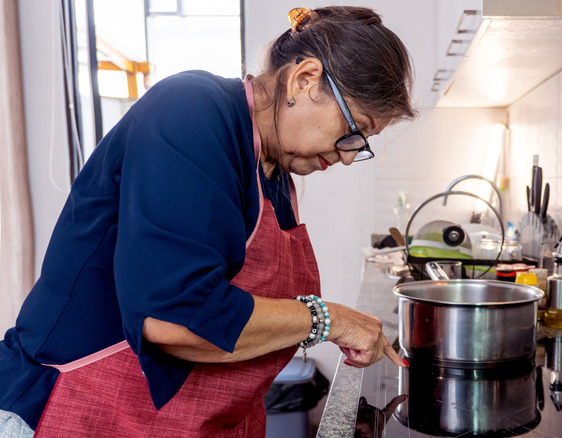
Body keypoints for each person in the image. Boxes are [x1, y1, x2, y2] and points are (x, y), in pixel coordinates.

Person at [0, 6, 415, 437]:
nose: (349, 154)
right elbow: (175, 318)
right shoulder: (190, 111)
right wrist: (327, 319)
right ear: (305, 79)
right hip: (78, 411)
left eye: (362, 144)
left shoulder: (274, 173)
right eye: (354, 129)